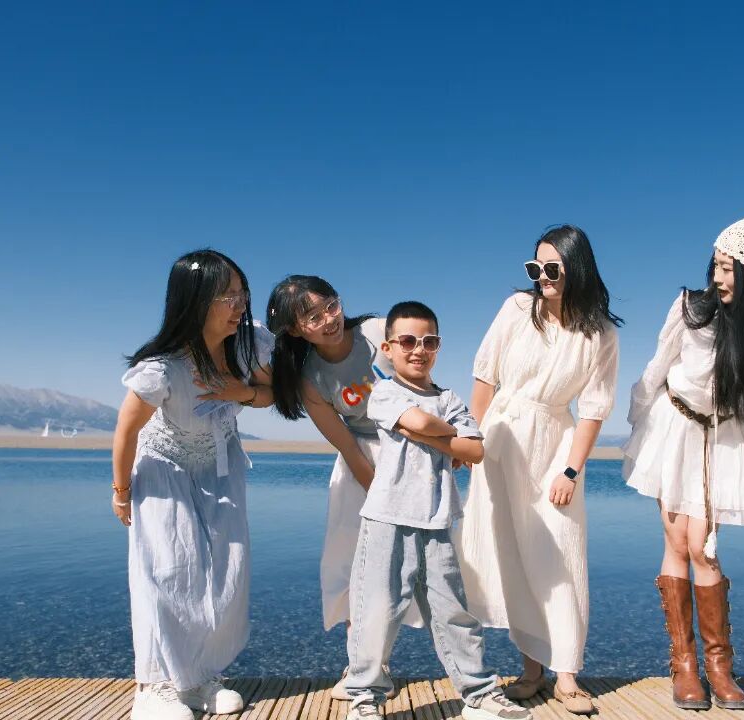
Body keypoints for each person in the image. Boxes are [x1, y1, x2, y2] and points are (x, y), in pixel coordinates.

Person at [622, 215, 744, 711]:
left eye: (730, 270)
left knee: (703, 549)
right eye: (716, 265)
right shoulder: (691, 309)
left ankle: (719, 667)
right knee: (676, 542)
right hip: (673, 427)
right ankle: (684, 666)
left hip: (725, 440)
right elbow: (655, 371)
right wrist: (640, 428)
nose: (718, 278)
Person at [456, 225, 622, 714]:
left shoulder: (600, 333)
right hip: (501, 438)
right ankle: (532, 670)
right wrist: (474, 444)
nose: (542, 277)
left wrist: (570, 471)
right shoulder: (515, 309)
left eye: (552, 268)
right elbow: (484, 378)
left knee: (561, 554)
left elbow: (594, 410)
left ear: (578, 268)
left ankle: (567, 674)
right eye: (536, 268)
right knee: (512, 553)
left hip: (555, 442)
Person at [343, 301, 530, 720]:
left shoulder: (449, 398)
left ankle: (478, 695)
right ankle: (365, 698)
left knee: (453, 612)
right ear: (388, 348)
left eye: (429, 342)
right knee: (377, 612)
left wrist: (427, 431)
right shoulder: (385, 392)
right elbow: (428, 426)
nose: (418, 350)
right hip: (388, 517)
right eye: (408, 341)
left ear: (439, 346)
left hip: (439, 518)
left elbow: (474, 451)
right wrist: (446, 436)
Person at [112, 249, 274, 720]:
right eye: (228, 296)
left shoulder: (247, 346)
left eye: (242, 293)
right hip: (163, 473)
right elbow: (126, 432)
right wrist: (121, 492)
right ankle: (155, 686)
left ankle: (200, 676)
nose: (239, 304)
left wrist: (240, 392)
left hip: (221, 468)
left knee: (226, 573)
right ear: (196, 301)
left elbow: (269, 395)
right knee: (168, 573)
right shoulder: (163, 368)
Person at [266, 276, 420, 698]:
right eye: (313, 317)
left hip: (410, 448)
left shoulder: (377, 330)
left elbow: (422, 383)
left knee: (402, 564)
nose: (328, 320)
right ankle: (362, 664)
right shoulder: (311, 379)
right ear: (295, 330)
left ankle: (380, 661)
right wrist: (380, 492)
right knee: (355, 563)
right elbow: (348, 446)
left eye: (330, 306)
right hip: (361, 465)